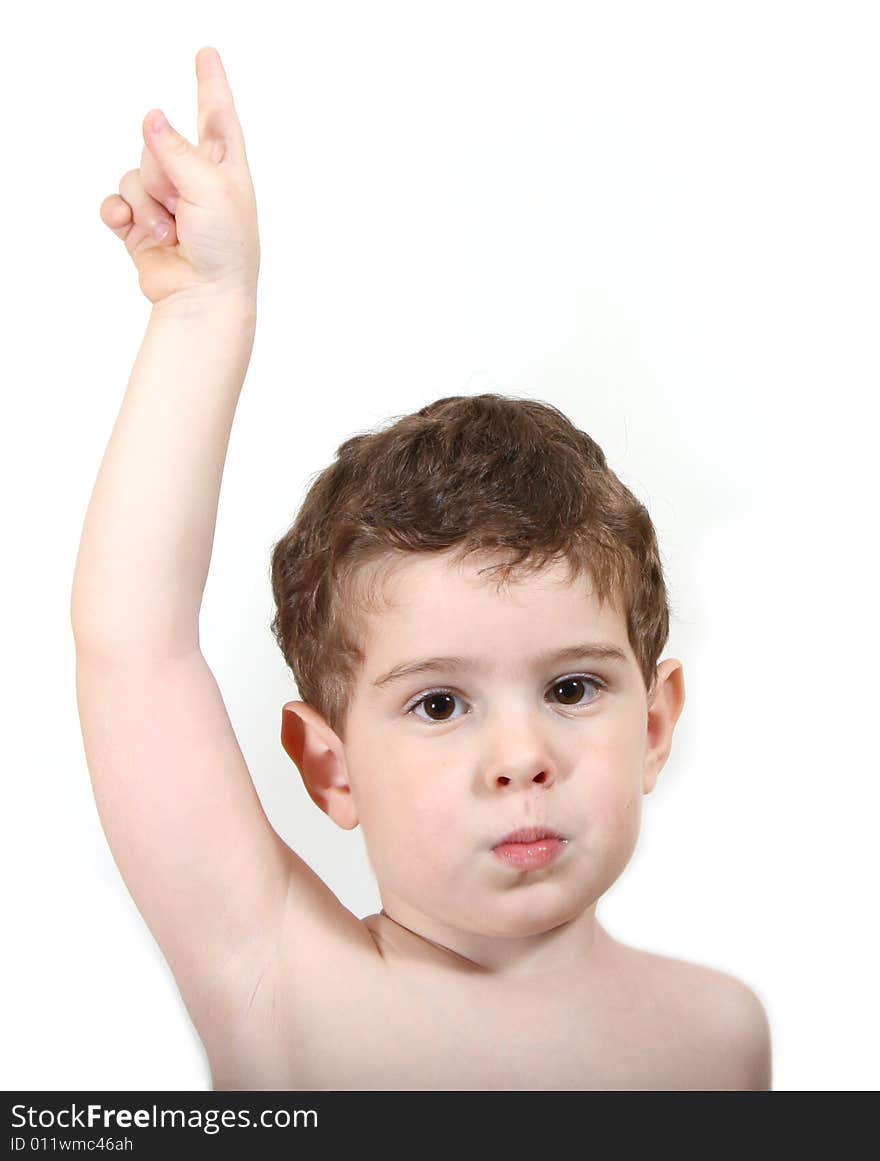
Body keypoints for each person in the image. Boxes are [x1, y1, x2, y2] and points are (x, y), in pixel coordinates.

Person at [72, 45, 771, 1091]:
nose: (521, 755)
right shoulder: (286, 984)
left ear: (655, 726)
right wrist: (203, 311)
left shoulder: (719, 1037)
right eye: (440, 704)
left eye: (572, 687)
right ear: (329, 765)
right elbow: (133, 650)